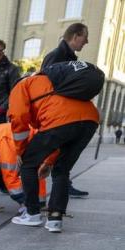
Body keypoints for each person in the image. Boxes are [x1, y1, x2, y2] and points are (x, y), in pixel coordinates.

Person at [9, 62, 101, 232]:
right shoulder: (51, 81)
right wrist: (49, 162)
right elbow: (60, 134)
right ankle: (55, 219)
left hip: (60, 120)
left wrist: (21, 151)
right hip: (90, 120)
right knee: (62, 169)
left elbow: (18, 117)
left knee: (28, 163)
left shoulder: (20, 86)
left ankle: (32, 214)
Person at [42, 23, 91, 199]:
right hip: (57, 114)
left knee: (64, 154)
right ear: (76, 36)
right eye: (85, 36)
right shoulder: (56, 56)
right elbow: (44, 86)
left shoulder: (70, 59)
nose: (87, 41)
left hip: (66, 113)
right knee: (49, 155)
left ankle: (63, 185)